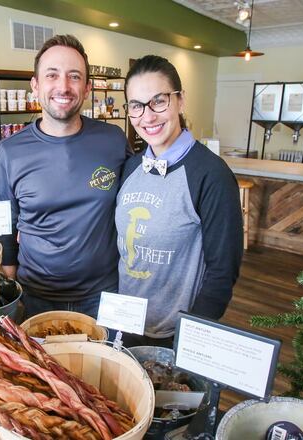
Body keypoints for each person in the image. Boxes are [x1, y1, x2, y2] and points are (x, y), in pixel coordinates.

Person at [0, 35, 128, 320]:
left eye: (74, 76)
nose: (63, 87)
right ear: (35, 85)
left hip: (106, 295)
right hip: (35, 297)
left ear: (88, 87)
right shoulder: (9, 152)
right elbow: (6, 225)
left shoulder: (114, 140)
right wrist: (12, 288)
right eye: (52, 75)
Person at [115, 55, 243, 347]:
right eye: (136, 106)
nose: (147, 117)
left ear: (180, 100)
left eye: (158, 101)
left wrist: (189, 338)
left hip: (174, 333)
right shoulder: (131, 167)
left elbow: (223, 271)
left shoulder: (211, 174)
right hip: (124, 323)